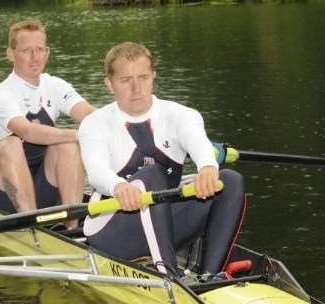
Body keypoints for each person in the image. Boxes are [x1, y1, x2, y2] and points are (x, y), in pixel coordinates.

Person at [78, 42, 245, 276]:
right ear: (109, 84)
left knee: (230, 180)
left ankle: (209, 276)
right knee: (152, 174)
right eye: (126, 80)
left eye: (143, 77)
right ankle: (168, 274)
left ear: (154, 76)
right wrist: (118, 186)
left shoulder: (180, 114)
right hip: (113, 232)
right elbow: (95, 172)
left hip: (164, 223)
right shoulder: (94, 123)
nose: (136, 88)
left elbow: (198, 142)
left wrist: (207, 167)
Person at [0, 20, 96, 228]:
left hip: (43, 188)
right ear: (11, 54)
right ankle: (32, 227)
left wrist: (121, 122)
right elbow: (27, 131)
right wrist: (79, 134)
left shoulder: (55, 85)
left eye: (40, 49)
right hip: (2, 194)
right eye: (27, 50)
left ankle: (73, 228)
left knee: (67, 146)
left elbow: (88, 114)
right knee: (11, 144)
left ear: (47, 52)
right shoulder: (1, 93)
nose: (35, 57)